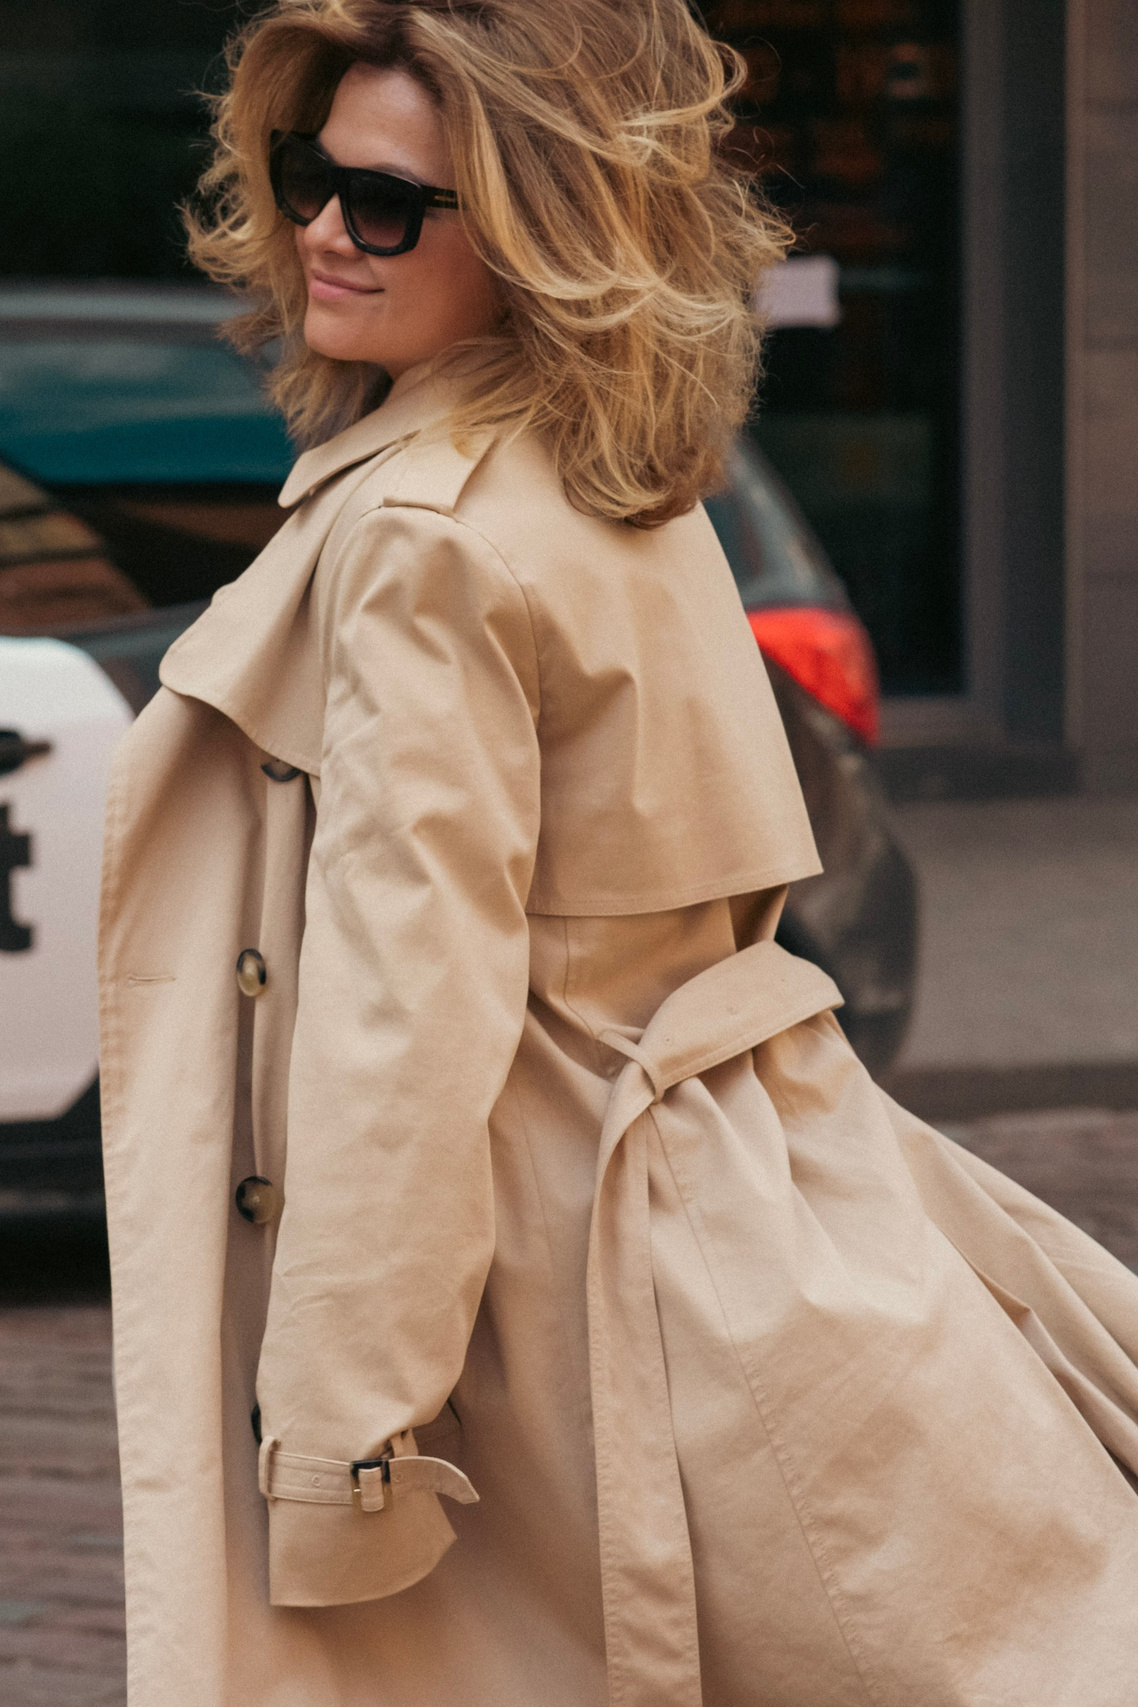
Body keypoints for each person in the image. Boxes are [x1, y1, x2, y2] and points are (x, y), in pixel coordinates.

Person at [99, 2, 1138, 1703]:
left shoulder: (423, 538)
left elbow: (402, 1019)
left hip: (558, 1290)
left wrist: (343, 1445)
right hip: (748, 1211)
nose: (317, 234)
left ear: (536, 233)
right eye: (306, 177)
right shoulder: (604, 474)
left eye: (386, 203)